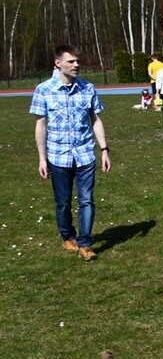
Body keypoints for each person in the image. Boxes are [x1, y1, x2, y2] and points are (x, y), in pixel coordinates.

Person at [31, 44, 111, 261]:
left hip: (85, 154)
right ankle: (68, 236)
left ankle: (85, 243)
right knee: (63, 202)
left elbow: (95, 120)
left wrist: (104, 149)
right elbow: (41, 125)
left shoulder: (88, 88)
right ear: (58, 63)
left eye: (77, 61)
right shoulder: (44, 90)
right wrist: (42, 158)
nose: (76, 65)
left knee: (86, 199)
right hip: (58, 156)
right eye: (71, 61)